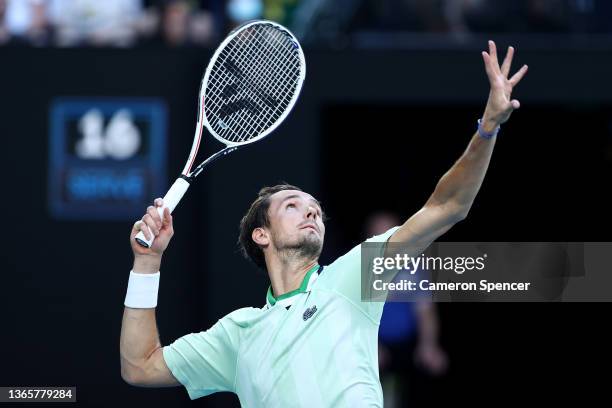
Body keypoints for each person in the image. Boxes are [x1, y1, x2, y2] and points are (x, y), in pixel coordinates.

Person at [119, 41, 528, 406]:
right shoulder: (237, 334)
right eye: (293, 205)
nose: (312, 211)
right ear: (261, 234)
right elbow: (140, 366)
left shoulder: (353, 277)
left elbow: (449, 205)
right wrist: (147, 264)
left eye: (314, 207)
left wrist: (487, 127)